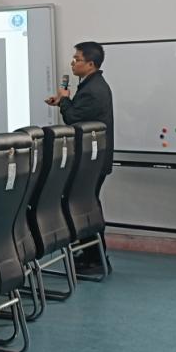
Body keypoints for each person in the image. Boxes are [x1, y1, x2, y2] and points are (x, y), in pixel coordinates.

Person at [45, 41, 114, 273]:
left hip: (92, 163)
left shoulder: (94, 90)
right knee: (85, 206)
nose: (73, 63)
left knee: (84, 207)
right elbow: (80, 114)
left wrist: (65, 100)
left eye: (77, 59)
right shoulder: (91, 85)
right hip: (92, 161)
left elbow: (73, 118)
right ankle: (92, 256)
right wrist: (63, 102)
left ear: (91, 64)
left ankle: (95, 259)